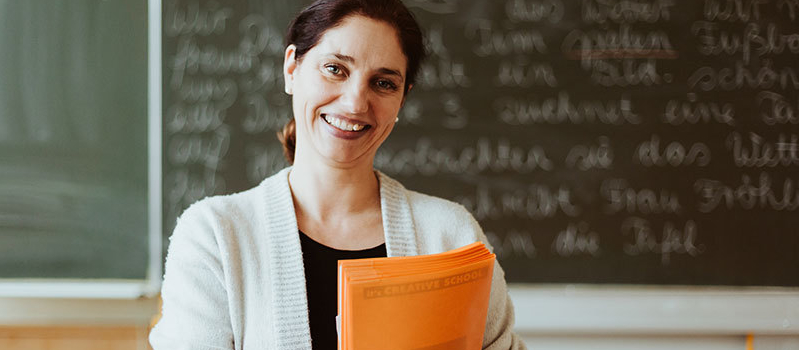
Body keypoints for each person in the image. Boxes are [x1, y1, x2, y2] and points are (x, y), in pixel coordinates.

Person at [149, 0, 526, 349]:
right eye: (335, 69)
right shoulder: (214, 236)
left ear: (402, 98)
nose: (355, 102)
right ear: (292, 69)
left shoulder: (451, 236)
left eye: (383, 83)